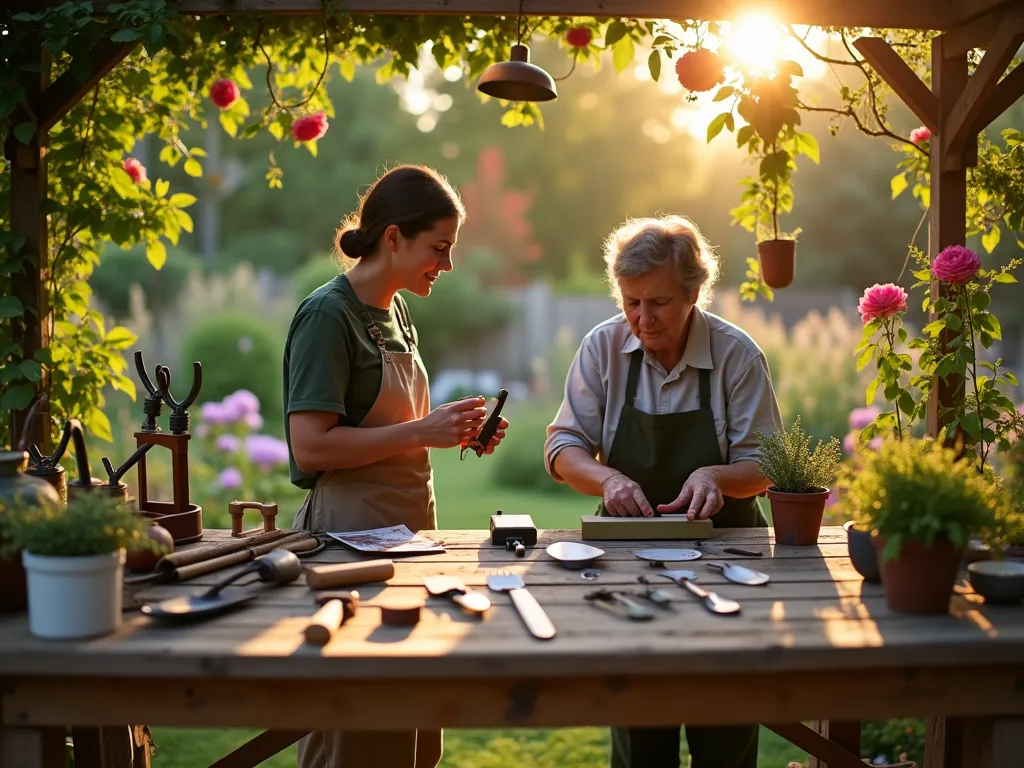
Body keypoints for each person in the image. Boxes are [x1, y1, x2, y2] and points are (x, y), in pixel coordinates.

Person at [283, 164, 508, 768]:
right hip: (347, 545)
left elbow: (393, 430)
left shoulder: (396, 312)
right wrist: (423, 430)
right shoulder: (327, 317)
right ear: (393, 239)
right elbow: (312, 447)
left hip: (408, 537)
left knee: (412, 733)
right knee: (358, 732)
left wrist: (455, 433)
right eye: (439, 247)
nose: (448, 264)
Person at [543, 214, 782, 768]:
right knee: (639, 721)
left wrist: (716, 476)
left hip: (728, 554)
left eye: (659, 303)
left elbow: (766, 464)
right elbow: (563, 450)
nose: (642, 319)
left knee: (725, 727)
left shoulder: (736, 355)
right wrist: (606, 478)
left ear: (694, 292)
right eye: (631, 303)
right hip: (624, 560)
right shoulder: (601, 348)